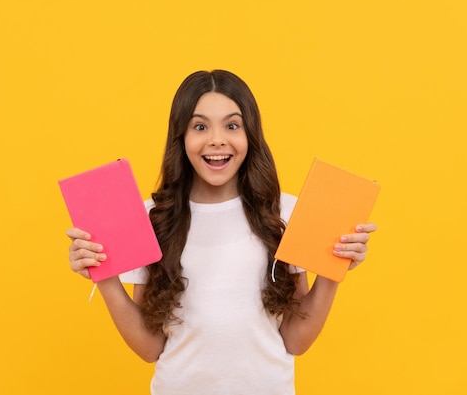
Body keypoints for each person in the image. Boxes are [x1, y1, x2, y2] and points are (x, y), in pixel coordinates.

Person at [67, 69, 377, 395]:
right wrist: (104, 276)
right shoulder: (150, 218)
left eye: (232, 125)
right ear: (181, 137)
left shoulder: (286, 213)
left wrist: (332, 269)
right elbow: (149, 347)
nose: (217, 139)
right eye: (200, 126)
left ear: (250, 135)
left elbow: (296, 340)